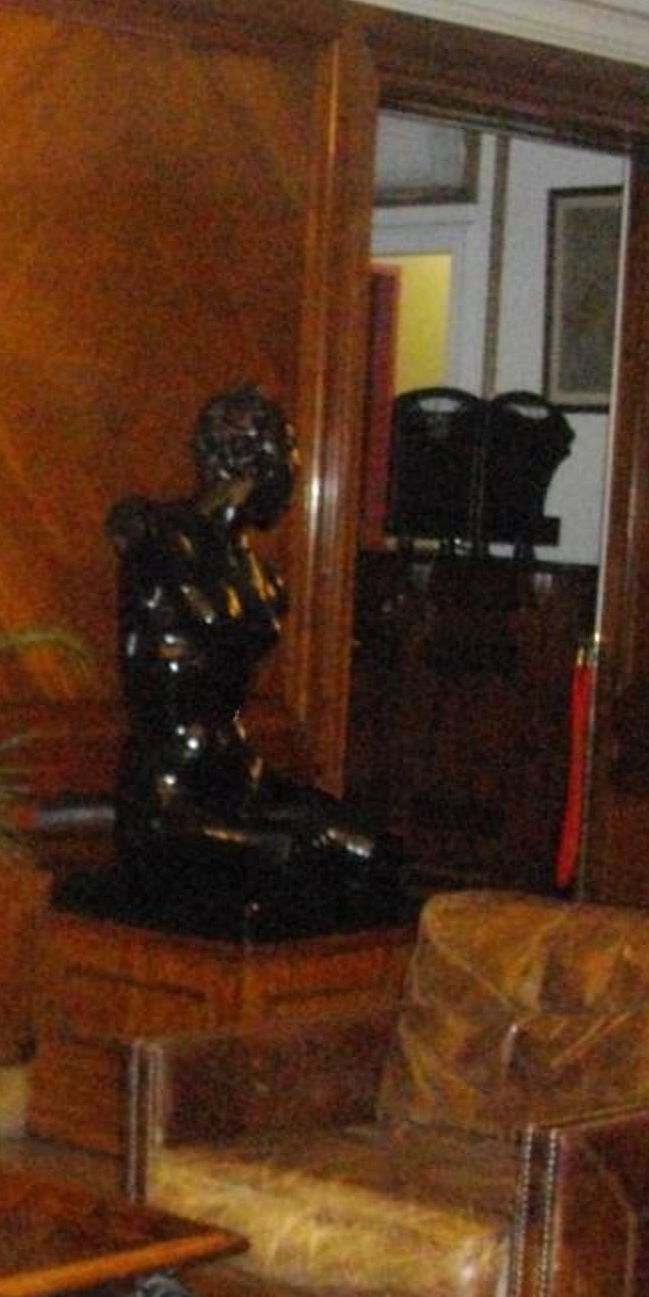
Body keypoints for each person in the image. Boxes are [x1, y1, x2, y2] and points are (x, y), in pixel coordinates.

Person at [103, 383, 407, 933]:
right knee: (306, 854)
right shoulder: (162, 538)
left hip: (240, 777)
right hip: (172, 798)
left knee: (372, 850)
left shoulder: (260, 576)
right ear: (256, 464)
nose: (293, 479)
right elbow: (142, 541)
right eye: (289, 460)